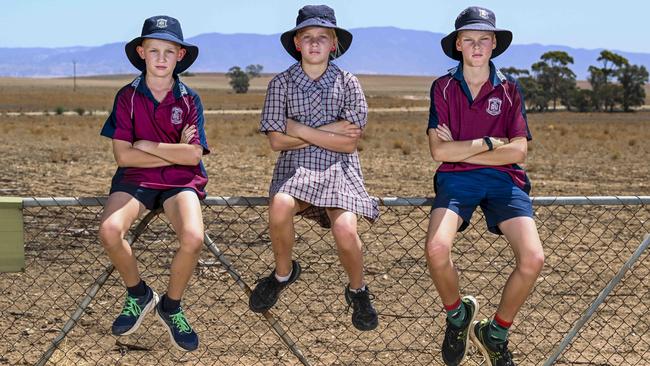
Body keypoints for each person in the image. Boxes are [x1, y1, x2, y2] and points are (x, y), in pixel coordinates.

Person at [425, 6, 545, 365]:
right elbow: (436, 151)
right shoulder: (443, 88)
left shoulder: (509, 89)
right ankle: (458, 316)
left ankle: (495, 333)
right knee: (436, 250)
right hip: (456, 181)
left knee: (533, 259)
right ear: (458, 44)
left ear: (494, 44)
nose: (476, 46)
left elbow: (520, 150)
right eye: (469, 40)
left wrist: (462, 150)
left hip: (505, 182)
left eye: (483, 40)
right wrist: (492, 144)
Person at [248, 5, 379, 331]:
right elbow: (276, 141)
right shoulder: (281, 84)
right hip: (296, 169)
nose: (315, 43)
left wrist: (301, 129)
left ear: (334, 43)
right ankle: (283, 273)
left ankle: (358, 290)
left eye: (323, 37)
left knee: (346, 230)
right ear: (297, 43)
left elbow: (349, 142)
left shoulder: (348, 83)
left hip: (340, 170)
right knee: (279, 206)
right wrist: (328, 133)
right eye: (307, 37)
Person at [98, 15, 209, 352]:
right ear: (142, 52)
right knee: (109, 231)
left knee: (193, 237)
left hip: (179, 181)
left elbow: (193, 157)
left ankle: (171, 306)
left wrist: (148, 146)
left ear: (180, 56)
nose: (162, 58)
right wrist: (173, 151)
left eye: (169, 51)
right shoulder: (127, 97)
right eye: (154, 50)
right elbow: (124, 158)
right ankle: (139, 293)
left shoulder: (189, 98)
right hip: (136, 179)